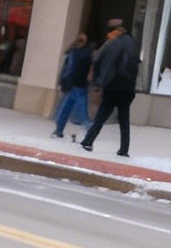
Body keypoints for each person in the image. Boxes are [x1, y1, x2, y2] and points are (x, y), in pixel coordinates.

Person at [81, 17, 139, 157]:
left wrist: (100, 82)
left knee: (101, 116)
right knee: (124, 120)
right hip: (127, 88)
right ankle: (124, 149)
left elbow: (100, 60)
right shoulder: (131, 43)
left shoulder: (112, 43)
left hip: (113, 86)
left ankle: (88, 141)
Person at [51, 30, 92, 138]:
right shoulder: (88, 54)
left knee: (66, 109)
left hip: (72, 84)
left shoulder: (73, 52)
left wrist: (63, 82)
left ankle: (59, 130)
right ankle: (88, 130)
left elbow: (69, 69)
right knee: (80, 110)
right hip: (81, 85)